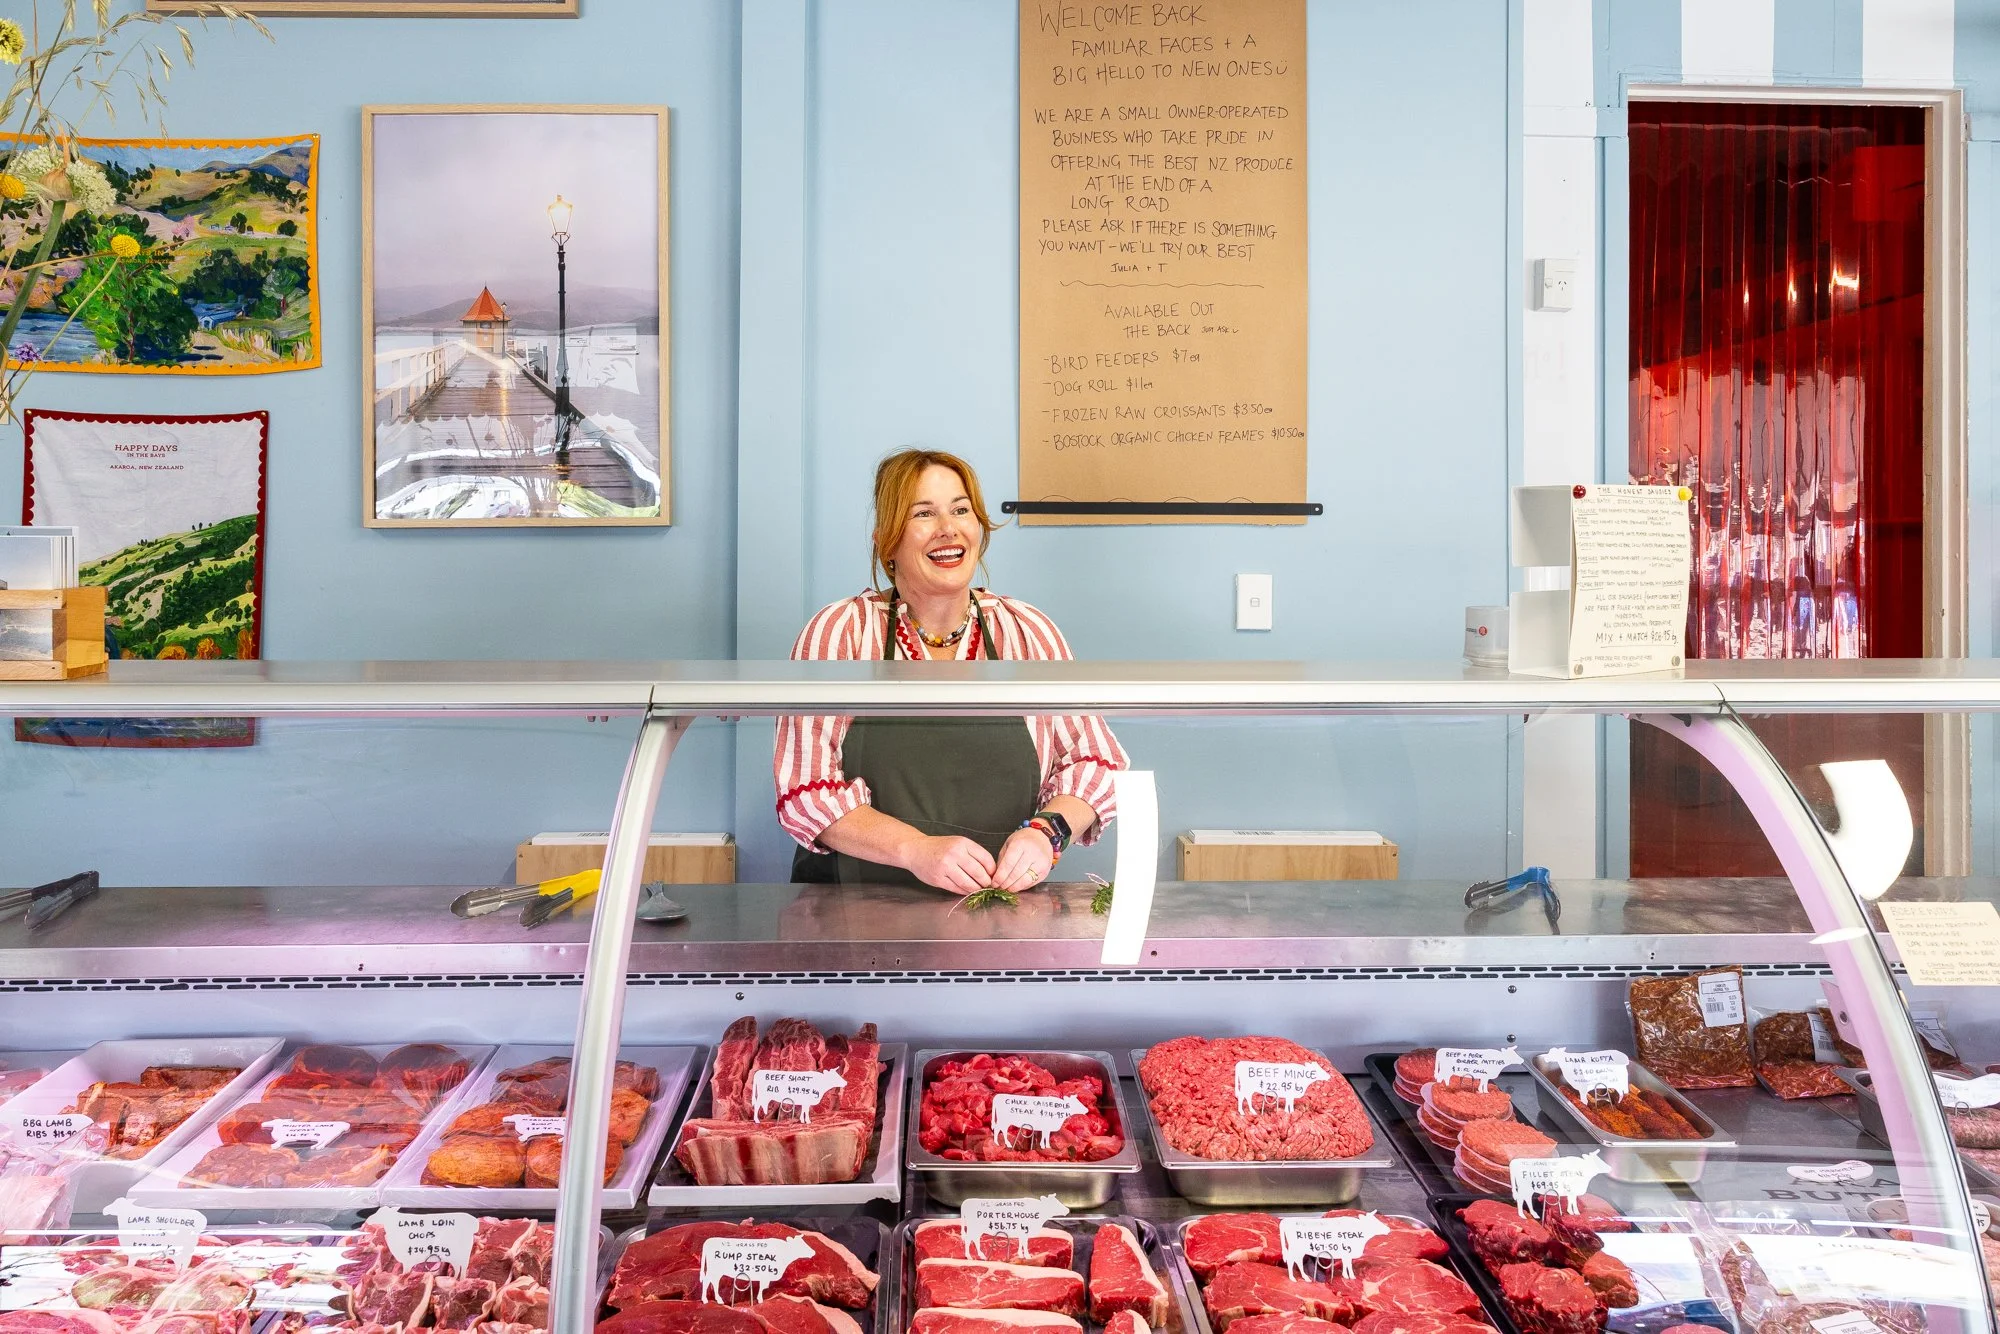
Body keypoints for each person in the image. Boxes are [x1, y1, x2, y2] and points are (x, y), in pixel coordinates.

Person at [774, 449, 1128, 893]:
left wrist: (1047, 832)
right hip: (855, 907)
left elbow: (1098, 763)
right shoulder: (841, 632)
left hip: (997, 904)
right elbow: (806, 791)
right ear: (887, 542)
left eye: (961, 510)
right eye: (924, 513)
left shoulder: (1027, 631)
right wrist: (913, 849)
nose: (948, 528)